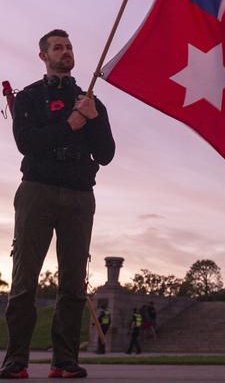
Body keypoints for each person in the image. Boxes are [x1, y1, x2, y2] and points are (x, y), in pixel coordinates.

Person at [0, 29, 115, 379]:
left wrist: (93, 119)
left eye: (69, 47)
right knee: (24, 279)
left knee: (72, 281)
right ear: (43, 55)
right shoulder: (30, 97)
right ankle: (16, 359)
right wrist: (70, 123)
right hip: (38, 190)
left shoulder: (90, 99)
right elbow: (27, 143)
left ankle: (63, 360)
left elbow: (107, 154)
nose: (66, 52)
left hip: (80, 194)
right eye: (58, 47)